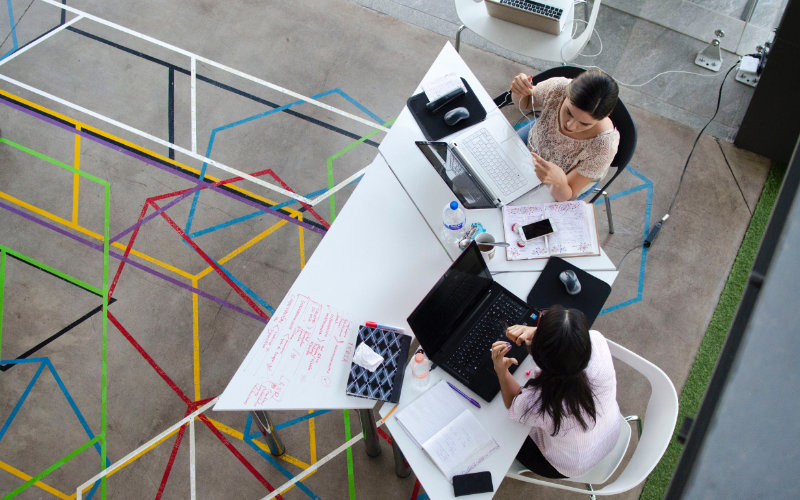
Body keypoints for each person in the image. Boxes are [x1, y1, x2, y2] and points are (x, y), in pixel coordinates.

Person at [490, 305, 620, 478]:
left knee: (503, 429)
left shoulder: (540, 404)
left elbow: (514, 403)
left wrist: (501, 371)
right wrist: (541, 333)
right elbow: (569, 343)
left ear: (539, 359)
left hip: (565, 465)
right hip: (610, 434)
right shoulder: (596, 340)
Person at [509, 69, 620, 201]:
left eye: (584, 124)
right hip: (532, 142)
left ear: (604, 117)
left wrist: (559, 181)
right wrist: (518, 91)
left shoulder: (604, 146)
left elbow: (566, 196)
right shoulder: (557, 89)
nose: (570, 125)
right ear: (565, 94)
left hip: (562, 183)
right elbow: (526, 102)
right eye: (569, 112)